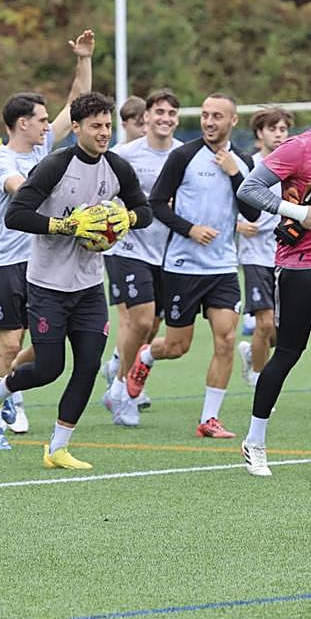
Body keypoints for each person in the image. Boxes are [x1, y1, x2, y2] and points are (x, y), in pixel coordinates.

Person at [0, 92, 151, 469]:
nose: (104, 133)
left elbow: (144, 209)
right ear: (76, 128)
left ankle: (57, 447)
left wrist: (126, 219)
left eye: (108, 126)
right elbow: (16, 215)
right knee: (48, 368)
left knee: (88, 366)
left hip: (89, 286)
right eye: (95, 126)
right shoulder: (55, 165)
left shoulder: (117, 168)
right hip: (47, 285)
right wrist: (66, 225)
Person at [0, 29, 95, 446]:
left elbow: (76, 103)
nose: (48, 125)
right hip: (7, 262)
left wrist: (83, 59)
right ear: (22, 123)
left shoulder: (43, 150)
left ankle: (6, 388)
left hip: (44, 263)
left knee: (45, 346)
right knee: (10, 344)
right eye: (42, 120)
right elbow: (19, 189)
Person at [124, 93, 260, 438]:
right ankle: (147, 356)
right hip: (182, 266)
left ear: (233, 121)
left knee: (226, 339)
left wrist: (234, 175)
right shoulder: (183, 156)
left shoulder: (244, 162)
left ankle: (209, 419)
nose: (209, 122)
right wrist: (190, 229)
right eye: (205, 115)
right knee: (177, 347)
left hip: (223, 268)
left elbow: (253, 212)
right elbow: (156, 203)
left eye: (217, 116)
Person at [100, 89, 182, 424]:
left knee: (153, 326)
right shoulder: (124, 155)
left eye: (171, 113)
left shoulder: (184, 154)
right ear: (146, 116)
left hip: (170, 253)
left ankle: (121, 371)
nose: (165, 118)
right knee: (141, 320)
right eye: (159, 112)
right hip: (129, 248)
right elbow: (102, 192)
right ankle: (122, 391)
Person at [235, 123, 311, 476]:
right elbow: (249, 189)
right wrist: (299, 214)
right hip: (300, 266)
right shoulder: (299, 148)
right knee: (288, 353)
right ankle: (255, 441)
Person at [235, 107, 292, 389]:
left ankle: (251, 354)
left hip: (286, 256)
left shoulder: (292, 165)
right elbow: (227, 202)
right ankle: (260, 382)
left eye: (283, 129)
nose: (279, 134)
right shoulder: (249, 165)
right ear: (260, 133)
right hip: (255, 255)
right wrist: (237, 224)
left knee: (284, 330)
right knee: (265, 323)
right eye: (272, 129)